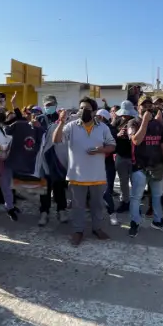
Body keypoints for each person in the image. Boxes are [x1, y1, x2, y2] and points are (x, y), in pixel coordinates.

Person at [53, 97, 116, 245]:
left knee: (97, 205)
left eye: (86, 109)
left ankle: (97, 228)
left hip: (97, 176)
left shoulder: (103, 127)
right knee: (77, 207)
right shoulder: (71, 126)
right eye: (81, 108)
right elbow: (56, 140)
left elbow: (112, 146)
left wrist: (101, 150)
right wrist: (61, 122)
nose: (82, 111)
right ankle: (78, 231)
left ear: (94, 111)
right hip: (76, 176)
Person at [126, 95, 163, 237]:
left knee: (157, 196)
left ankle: (158, 221)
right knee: (136, 197)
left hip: (157, 166)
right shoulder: (132, 123)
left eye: (149, 105)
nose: (147, 108)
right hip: (139, 167)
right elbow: (136, 141)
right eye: (143, 105)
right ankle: (135, 222)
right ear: (137, 107)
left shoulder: (158, 124)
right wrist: (145, 122)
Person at [35, 95, 69, 226]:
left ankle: (62, 210)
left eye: (51, 104)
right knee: (44, 186)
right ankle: (44, 212)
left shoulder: (62, 118)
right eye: (47, 105)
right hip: (43, 157)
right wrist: (36, 128)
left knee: (59, 185)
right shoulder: (39, 119)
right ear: (44, 105)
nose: (49, 107)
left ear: (56, 104)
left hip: (58, 156)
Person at [112, 101, 139, 214]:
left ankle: (135, 203)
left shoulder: (136, 121)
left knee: (135, 181)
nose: (125, 115)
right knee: (123, 181)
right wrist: (118, 135)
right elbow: (109, 135)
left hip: (134, 156)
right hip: (120, 155)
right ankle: (125, 202)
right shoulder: (116, 121)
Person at [96, 108, 120, 226]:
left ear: (101, 117)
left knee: (106, 191)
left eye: (97, 116)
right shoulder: (94, 128)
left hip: (107, 164)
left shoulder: (110, 130)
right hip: (95, 163)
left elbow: (111, 147)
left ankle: (112, 213)